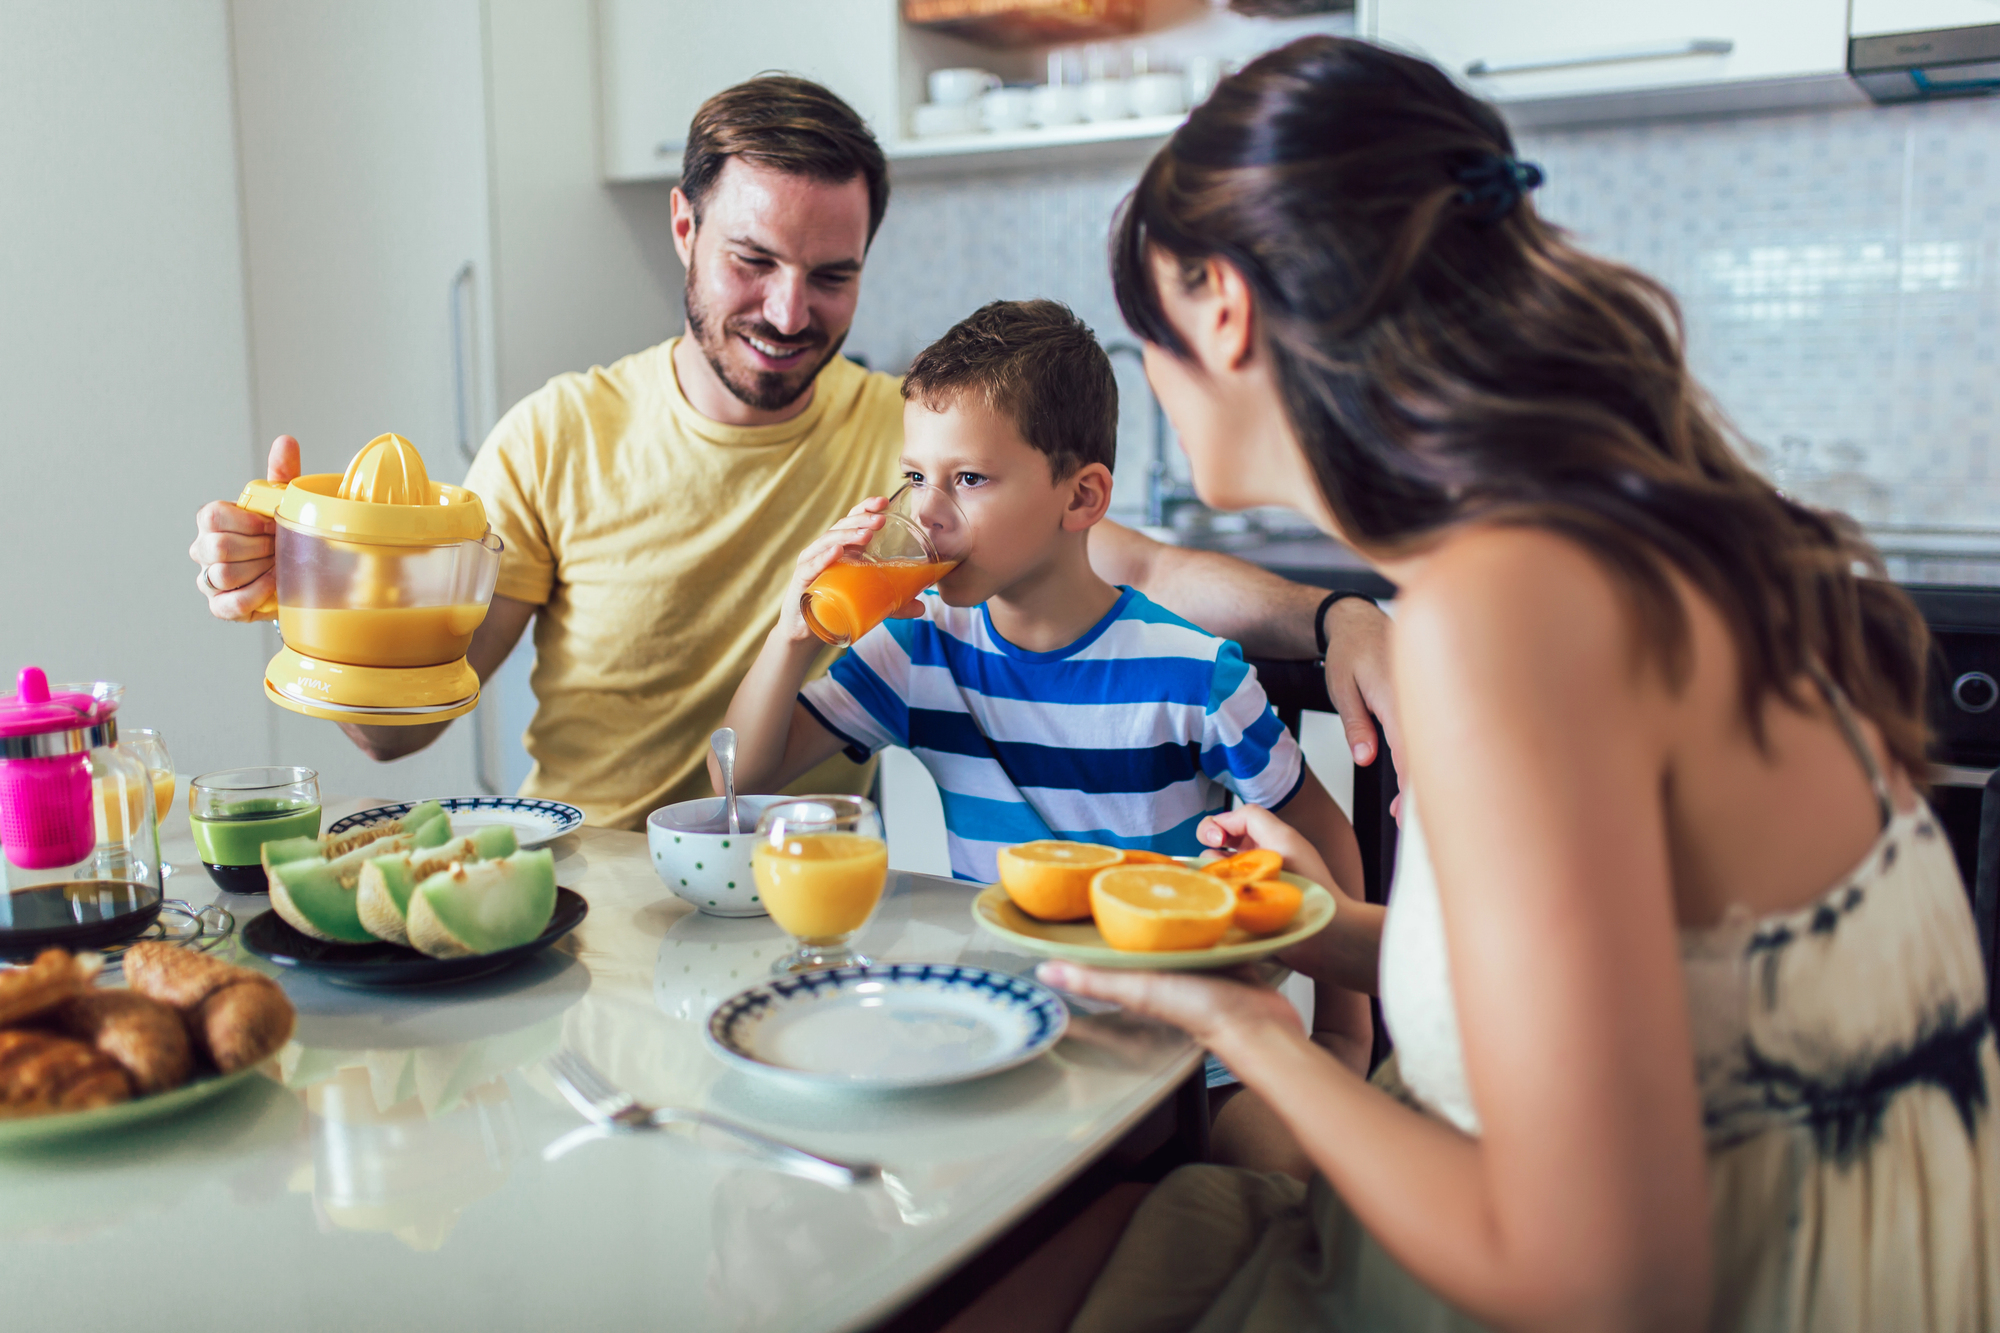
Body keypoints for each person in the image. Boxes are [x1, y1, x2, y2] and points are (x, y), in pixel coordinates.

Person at [949, 36, 1999, 1333]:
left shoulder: (1500, 615)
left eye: (1143, 331)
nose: (1148, 370)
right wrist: (1309, 935)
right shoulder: (1622, 533)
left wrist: (1247, 1028)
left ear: (1220, 304)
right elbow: (1652, 996)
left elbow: (1608, 1282)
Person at [186, 75, 1400, 831]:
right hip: (597, 893)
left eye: (831, 275)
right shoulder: (557, 436)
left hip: (809, 905)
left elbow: (1135, 565)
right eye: (751, 262)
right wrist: (320, 602)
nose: (785, 311)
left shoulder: (898, 438)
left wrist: (1338, 616)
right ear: (684, 227)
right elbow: (400, 732)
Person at [721, 300, 1363, 920]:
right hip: (998, 1011)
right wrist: (793, 638)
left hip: (1156, 1013)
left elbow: (1324, 839)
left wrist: (1345, 1032)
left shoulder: (1190, 675)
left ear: (1082, 498)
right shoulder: (918, 652)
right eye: (915, 478)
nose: (926, 513)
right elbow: (741, 779)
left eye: (969, 479)